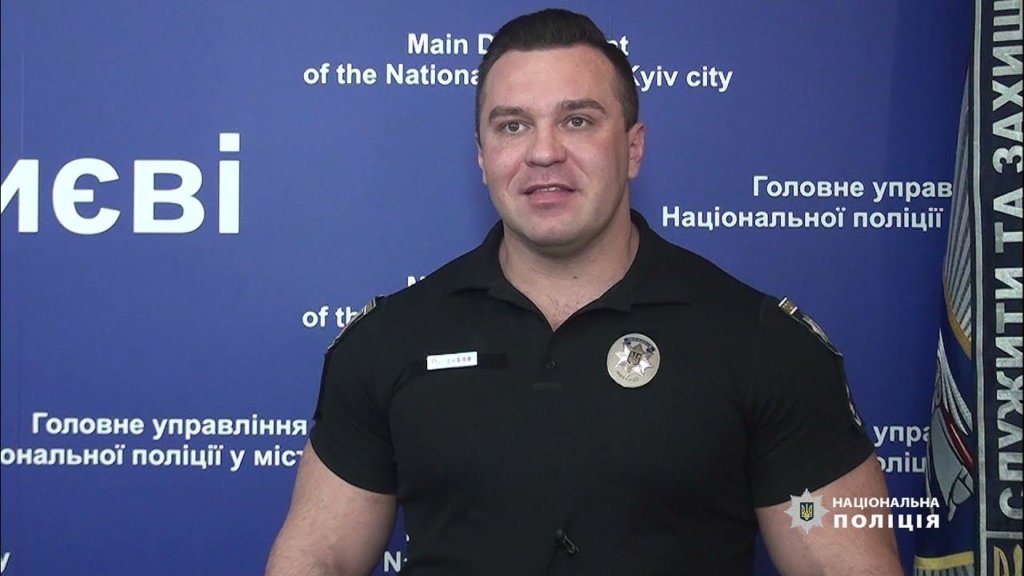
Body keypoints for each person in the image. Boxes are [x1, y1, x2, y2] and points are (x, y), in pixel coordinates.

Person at [266, 8, 903, 576]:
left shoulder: (764, 344)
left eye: (577, 120)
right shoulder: (389, 341)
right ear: (482, 157)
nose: (543, 152)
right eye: (513, 126)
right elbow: (319, 556)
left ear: (633, 148)